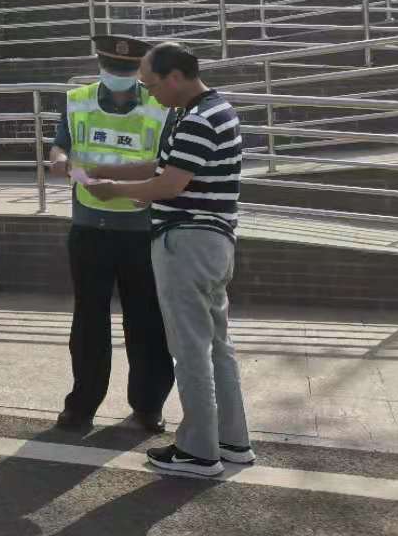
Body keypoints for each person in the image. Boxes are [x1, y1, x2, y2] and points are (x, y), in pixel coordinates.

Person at [84, 41, 252, 478]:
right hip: (213, 241)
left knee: (190, 349)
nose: (150, 93)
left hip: (186, 243)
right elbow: (158, 168)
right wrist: (103, 170)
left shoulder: (197, 119)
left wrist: (114, 192)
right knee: (217, 346)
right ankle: (232, 441)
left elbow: (169, 184)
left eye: (152, 84)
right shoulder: (212, 111)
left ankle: (199, 451)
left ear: (175, 77)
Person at [47, 35, 173, 435]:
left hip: (141, 230)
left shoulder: (159, 104)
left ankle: (148, 406)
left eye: (126, 70)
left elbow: (163, 162)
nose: (118, 75)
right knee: (88, 320)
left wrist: (108, 178)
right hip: (89, 228)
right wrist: (59, 161)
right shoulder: (78, 99)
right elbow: (60, 145)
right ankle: (82, 405)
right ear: (101, 67)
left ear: (138, 70)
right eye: (112, 68)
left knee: (147, 320)